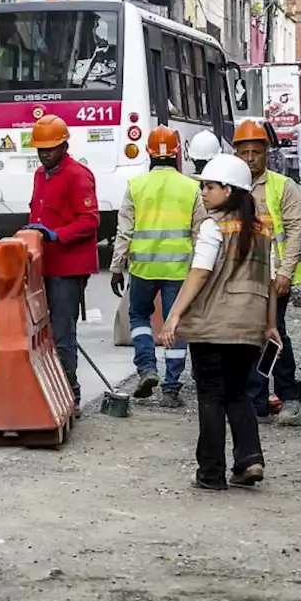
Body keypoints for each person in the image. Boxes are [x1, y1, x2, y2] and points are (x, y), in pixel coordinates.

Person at [159, 154, 280, 490]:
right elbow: (269, 283)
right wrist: (270, 326)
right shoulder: (263, 231)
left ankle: (211, 473)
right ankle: (249, 460)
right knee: (237, 394)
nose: (203, 193)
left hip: (213, 326)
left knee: (211, 396)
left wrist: (174, 315)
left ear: (229, 190)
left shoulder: (213, 226)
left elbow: (200, 272)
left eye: (209, 187)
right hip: (249, 328)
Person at [110, 126, 209, 408]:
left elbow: (124, 231)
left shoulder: (136, 186)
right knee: (174, 325)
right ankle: (171, 389)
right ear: (177, 153)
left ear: (148, 153)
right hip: (179, 271)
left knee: (139, 317)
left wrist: (117, 266)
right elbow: (198, 232)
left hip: (142, 268)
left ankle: (147, 368)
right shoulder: (192, 187)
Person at [25, 114, 99, 418]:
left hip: (67, 267)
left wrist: (58, 235)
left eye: (50, 148)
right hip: (42, 264)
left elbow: (90, 219)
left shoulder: (77, 175)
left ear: (64, 145)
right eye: (41, 149)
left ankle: (71, 392)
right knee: (44, 332)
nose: (44, 154)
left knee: (62, 332)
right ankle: (51, 389)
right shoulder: (41, 175)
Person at [235, 119, 301, 425]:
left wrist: (286, 273)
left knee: (274, 335)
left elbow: (294, 231)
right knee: (249, 337)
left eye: (255, 152)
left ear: (266, 152)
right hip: (243, 278)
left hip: (276, 276)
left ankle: (289, 395)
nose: (250, 158)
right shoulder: (232, 186)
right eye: (244, 152)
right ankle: (257, 400)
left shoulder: (282, 186)